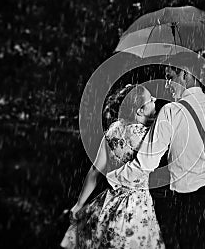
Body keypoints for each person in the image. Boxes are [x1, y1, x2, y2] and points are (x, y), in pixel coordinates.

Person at [107, 62, 205, 249]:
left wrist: (112, 177)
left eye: (170, 77)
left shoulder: (171, 111)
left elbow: (146, 163)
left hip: (189, 203)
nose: (166, 84)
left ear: (186, 75)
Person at [60, 84, 165, 249]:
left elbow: (95, 170)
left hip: (109, 200)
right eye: (151, 100)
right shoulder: (149, 136)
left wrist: (79, 204)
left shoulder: (113, 131)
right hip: (137, 206)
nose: (155, 100)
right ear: (140, 111)